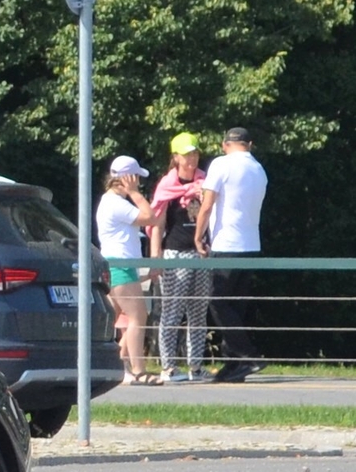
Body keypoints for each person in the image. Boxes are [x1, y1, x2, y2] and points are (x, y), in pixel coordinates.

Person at [200, 126, 269, 382]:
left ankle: (247, 354)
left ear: (224, 144)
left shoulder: (221, 164)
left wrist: (199, 237)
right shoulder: (258, 169)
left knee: (217, 302)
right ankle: (234, 364)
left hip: (226, 244)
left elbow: (206, 206)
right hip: (251, 244)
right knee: (236, 307)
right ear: (249, 144)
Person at [148, 133, 211, 383]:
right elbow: (156, 224)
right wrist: (156, 258)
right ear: (175, 157)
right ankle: (169, 366)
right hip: (175, 253)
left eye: (195, 153)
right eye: (186, 154)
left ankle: (196, 366)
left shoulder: (205, 182)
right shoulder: (167, 186)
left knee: (198, 312)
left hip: (201, 254)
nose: (192, 159)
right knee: (172, 311)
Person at [95, 156, 154, 383]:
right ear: (128, 178)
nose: (139, 181)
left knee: (114, 318)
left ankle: (118, 366)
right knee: (138, 316)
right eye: (136, 177)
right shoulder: (116, 203)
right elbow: (150, 218)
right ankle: (139, 370)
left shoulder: (112, 202)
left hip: (118, 264)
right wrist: (135, 194)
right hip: (121, 265)